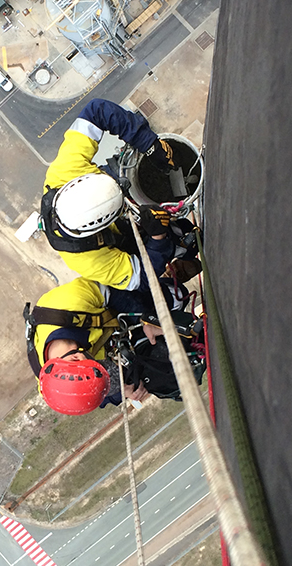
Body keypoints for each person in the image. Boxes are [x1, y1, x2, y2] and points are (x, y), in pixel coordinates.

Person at [39, 98, 199, 297]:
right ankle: (186, 248)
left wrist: (148, 144)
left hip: (112, 179)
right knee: (172, 239)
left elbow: (96, 111)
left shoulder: (65, 173)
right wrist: (158, 238)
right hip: (126, 236)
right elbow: (140, 278)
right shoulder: (87, 259)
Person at [24, 277, 204, 415]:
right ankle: (198, 355)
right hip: (106, 337)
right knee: (157, 374)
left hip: (109, 301)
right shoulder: (54, 387)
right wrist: (123, 392)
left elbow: (112, 291)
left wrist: (145, 320)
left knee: (175, 296)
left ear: (77, 357)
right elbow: (92, 395)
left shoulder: (70, 302)